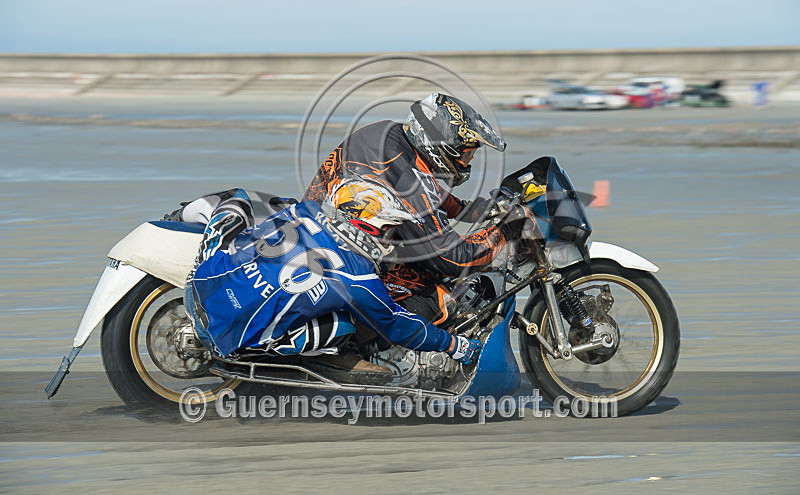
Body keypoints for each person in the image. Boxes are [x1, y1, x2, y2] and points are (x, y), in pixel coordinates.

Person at [181, 182, 481, 382]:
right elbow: (398, 325)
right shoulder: (358, 277)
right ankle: (310, 364)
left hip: (199, 281)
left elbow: (276, 209)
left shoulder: (305, 210)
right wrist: (454, 345)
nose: (391, 239)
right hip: (226, 338)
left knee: (239, 199)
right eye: (389, 231)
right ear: (369, 228)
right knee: (342, 325)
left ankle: (180, 216)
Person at [304, 92, 530, 323]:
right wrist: (506, 231)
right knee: (445, 301)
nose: (469, 160)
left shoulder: (387, 134)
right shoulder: (410, 179)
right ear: (442, 145)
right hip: (338, 270)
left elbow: (425, 194)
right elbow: (454, 259)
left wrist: (477, 209)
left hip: (314, 241)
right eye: (468, 152)